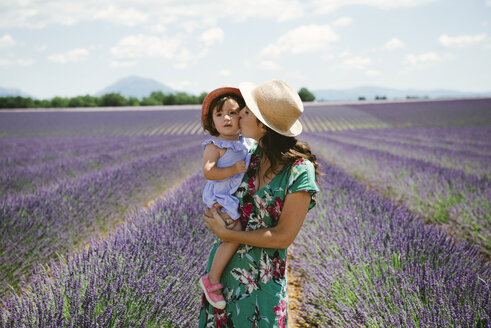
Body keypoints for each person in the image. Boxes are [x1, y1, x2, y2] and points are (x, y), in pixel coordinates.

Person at [199, 79, 321, 328]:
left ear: (263, 126)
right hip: (223, 281)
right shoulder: (250, 155)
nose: (237, 116)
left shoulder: (299, 171)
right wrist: (218, 211)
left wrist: (226, 232)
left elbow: (282, 237)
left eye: (244, 112)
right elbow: (220, 187)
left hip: (262, 284)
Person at [199, 87, 253, 310]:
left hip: (235, 197)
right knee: (233, 235)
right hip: (221, 199)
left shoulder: (246, 144)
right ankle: (212, 279)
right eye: (219, 115)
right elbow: (209, 172)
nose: (226, 118)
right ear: (212, 122)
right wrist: (232, 169)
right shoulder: (215, 146)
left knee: (234, 236)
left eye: (232, 113)